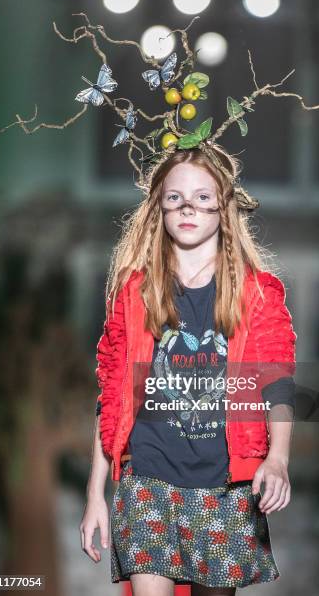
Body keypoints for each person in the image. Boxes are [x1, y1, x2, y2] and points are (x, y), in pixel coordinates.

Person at [80, 143, 297, 595]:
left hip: (225, 487)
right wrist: (94, 495)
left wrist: (277, 460)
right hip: (147, 482)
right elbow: (112, 395)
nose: (188, 208)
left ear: (224, 207)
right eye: (175, 198)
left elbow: (277, 382)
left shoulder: (258, 294)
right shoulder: (134, 293)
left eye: (203, 197)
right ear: (159, 207)